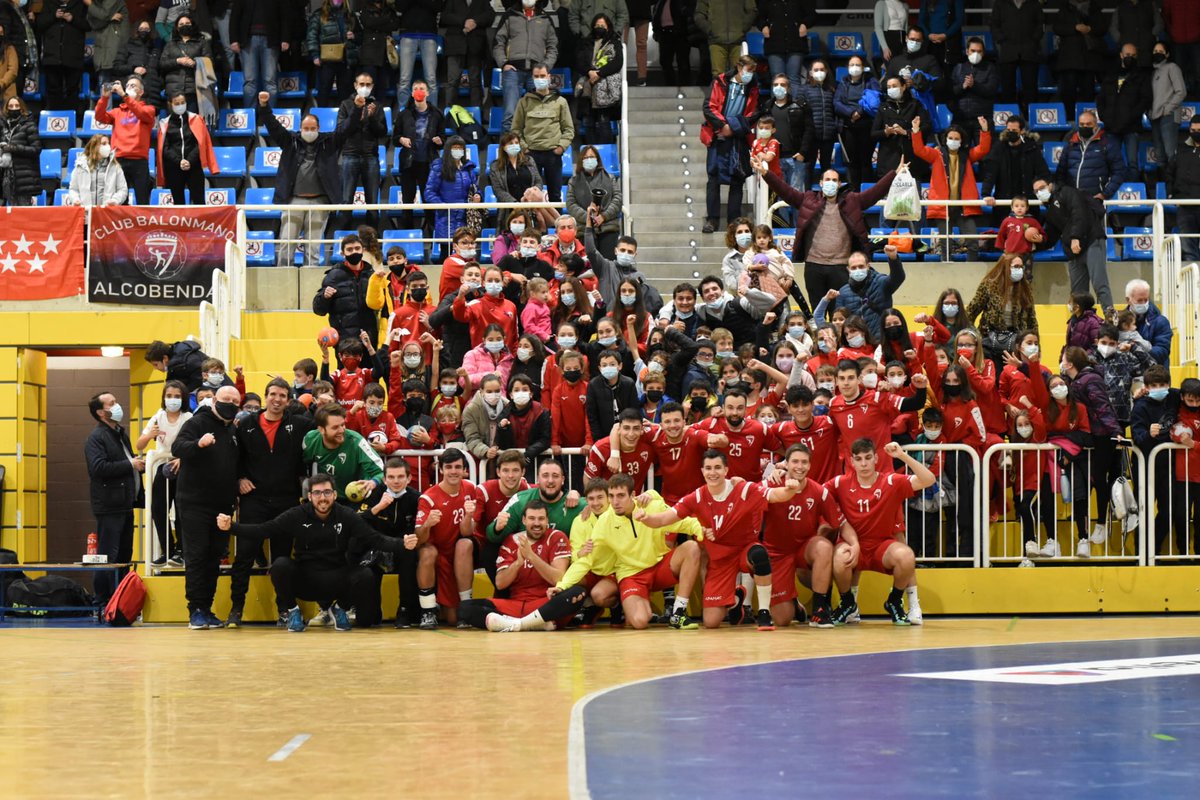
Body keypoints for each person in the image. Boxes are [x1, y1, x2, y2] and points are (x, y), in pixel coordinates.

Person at [216, 472, 409, 632]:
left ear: (334, 494)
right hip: (305, 581)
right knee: (280, 565)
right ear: (309, 497)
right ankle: (292, 611)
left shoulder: (346, 515)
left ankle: (340, 608)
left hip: (337, 579)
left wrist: (404, 544)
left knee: (365, 574)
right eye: (317, 493)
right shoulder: (297, 514)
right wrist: (231, 527)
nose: (322, 498)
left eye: (327, 492)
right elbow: (264, 529)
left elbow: (375, 539)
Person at [637, 449, 802, 629]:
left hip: (744, 550)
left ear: (726, 470)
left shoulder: (743, 489)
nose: (713, 472)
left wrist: (789, 489)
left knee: (759, 554)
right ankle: (736, 598)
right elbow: (663, 518)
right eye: (708, 468)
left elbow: (776, 496)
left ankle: (763, 613)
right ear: (702, 471)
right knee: (711, 621)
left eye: (717, 467)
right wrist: (646, 518)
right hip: (720, 560)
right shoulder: (697, 496)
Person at [228, 378, 313, 628]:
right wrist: (239, 479)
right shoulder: (245, 424)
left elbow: (324, 428)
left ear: (288, 400)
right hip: (254, 499)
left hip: (286, 500)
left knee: (282, 559)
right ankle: (236, 609)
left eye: (283, 396)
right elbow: (234, 458)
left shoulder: (299, 425)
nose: (277, 399)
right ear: (265, 397)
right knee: (244, 556)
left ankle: (285, 610)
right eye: (273, 394)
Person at [752, 160, 898, 303]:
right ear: (821, 183)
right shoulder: (808, 199)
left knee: (840, 315)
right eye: (827, 179)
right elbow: (785, 191)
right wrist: (766, 173)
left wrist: (894, 174)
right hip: (814, 267)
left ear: (840, 184)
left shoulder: (852, 200)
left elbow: (875, 192)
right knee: (817, 313)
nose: (831, 183)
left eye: (834, 180)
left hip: (841, 267)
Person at [827, 440, 935, 625]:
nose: (863, 464)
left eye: (868, 458)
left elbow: (928, 479)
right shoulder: (840, 483)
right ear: (851, 461)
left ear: (876, 458)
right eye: (858, 459)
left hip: (881, 547)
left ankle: (894, 601)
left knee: (907, 556)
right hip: (855, 546)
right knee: (839, 557)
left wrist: (902, 455)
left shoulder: (890, 481)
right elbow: (815, 494)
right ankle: (847, 603)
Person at [258, 93, 358, 267]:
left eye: (312, 128)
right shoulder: (289, 141)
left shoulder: (329, 142)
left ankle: (310, 284)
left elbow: (347, 128)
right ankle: (282, 277)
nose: (309, 131)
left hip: (319, 201)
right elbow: (273, 125)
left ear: (318, 128)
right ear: (300, 128)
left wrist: (357, 109)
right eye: (306, 128)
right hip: (293, 201)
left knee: (313, 247)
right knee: (286, 243)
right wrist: (264, 105)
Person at [172, 384, 241, 630]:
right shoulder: (196, 423)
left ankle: (207, 608)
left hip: (222, 505)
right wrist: (198, 445)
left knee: (214, 557)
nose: (230, 404)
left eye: (235, 401)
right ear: (214, 401)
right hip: (194, 503)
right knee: (197, 556)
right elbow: (177, 448)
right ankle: (195, 610)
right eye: (226, 399)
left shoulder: (233, 430)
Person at [763, 444, 845, 627]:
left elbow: (838, 523)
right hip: (777, 553)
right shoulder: (771, 484)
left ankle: (819, 611)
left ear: (809, 465)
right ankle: (793, 602)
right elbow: (749, 502)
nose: (799, 466)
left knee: (823, 546)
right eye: (795, 462)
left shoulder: (819, 492)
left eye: (804, 462)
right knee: (782, 620)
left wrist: (853, 545)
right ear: (787, 464)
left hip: (803, 549)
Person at [458, 499, 574, 630]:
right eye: (532, 518)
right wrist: (518, 563)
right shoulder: (512, 541)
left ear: (547, 521)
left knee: (577, 594)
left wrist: (531, 556)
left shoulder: (556, 537)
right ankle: (532, 625)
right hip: (515, 605)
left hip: (545, 603)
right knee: (464, 608)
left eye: (541, 519)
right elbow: (500, 583)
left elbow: (558, 578)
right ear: (524, 520)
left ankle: (511, 624)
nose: (536, 523)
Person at [84, 392, 144, 607]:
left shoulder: (119, 433)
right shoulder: (96, 437)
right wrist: (131, 465)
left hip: (125, 503)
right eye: (112, 403)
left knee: (125, 555)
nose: (117, 405)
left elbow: (126, 462)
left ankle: (120, 600)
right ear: (101, 412)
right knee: (108, 555)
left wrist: (136, 464)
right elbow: (98, 468)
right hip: (109, 505)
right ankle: (102, 601)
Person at [413, 449, 479, 628]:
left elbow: (467, 533)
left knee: (464, 543)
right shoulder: (428, 498)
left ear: (465, 470)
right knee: (427, 552)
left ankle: (466, 605)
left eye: (458, 467)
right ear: (440, 470)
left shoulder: (471, 488)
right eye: (448, 467)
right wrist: (427, 524)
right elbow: (419, 539)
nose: (453, 471)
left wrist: (468, 515)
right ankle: (428, 611)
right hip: (438, 554)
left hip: (459, 553)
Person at [912, 116, 992, 259]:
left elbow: (983, 149)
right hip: (943, 206)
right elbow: (919, 150)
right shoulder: (937, 154)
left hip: (963, 206)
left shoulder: (966, 155)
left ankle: (972, 272)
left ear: (961, 141)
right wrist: (916, 131)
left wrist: (985, 130)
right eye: (951, 137)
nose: (953, 141)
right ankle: (946, 272)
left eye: (956, 138)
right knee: (945, 246)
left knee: (973, 243)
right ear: (945, 138)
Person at [829, 358, 929, 467]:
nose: (846, 383)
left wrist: (921, 389)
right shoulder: (833, 404)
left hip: (881, 470)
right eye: (842, 378)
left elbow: (915, 403)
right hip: (853, 472)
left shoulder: (877, 399)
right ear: (836, 381)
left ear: (859, 379)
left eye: (851, 378)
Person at [1032, 176, 1113, 311]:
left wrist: (1076, 237)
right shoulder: (1051, 210)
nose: (1039, 192)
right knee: (1078, 293)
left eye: (1042, 188)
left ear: (1051, 185)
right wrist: (1038, 242)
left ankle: (1111, 318)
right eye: (1036, 191)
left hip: (1091, 240)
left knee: (1099, 284)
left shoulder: (1068, 192)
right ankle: (1081, 325)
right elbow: (1051, 235)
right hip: (1073, 251)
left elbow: (1079, 213)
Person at [701, 54, 758, 234]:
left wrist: (732, 128)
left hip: (738, 137)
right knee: (713, 179)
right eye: (748, 70)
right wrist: (722, 126)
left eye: (753, 71)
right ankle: (712, 219)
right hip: (718, 135)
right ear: (739, 67)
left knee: (737, 179)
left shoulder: (753, 87)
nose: (750, 74)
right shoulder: (720, 82)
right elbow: (708, 107)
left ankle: (733, 222)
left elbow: (753, 114)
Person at [136, 381, 190, 567]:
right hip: (162, 467)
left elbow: (192, 444)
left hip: (183, 467)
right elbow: (139, 445)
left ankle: (183, 551)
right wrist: (150, 434)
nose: (172, 400)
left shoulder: (188, 417)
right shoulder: (158, 417)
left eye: (176, 396)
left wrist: (183, 459)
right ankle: (168, 549)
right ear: (163, 398)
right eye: (169, 396)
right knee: (158, 509)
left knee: (182, 510)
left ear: (182, 398)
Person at [512, 62, 574, 205]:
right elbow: (515, 129)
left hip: (553, 155)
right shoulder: (524, 102)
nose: (540, 79)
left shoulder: (560, 102)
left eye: (542, 76)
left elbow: (569, 129)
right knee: (530, 197)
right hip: (530, 155)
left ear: (549, 77)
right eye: (536, 76)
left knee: (555, 196)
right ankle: (534, 227)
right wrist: (525, 148)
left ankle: (556, 226)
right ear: (532, 78)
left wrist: (560, 148)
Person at [494, 0, 559, 134]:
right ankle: (506, 153)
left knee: (538, 115)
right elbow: (498, 42)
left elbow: (554, 46)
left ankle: (534, 152)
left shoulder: (545, 18)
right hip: (513, 72)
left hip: (537, 73)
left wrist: (545, 66)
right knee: (510, 115)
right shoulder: (509, 15)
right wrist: (503, 63)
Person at [336, 73, 387, 231]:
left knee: (372, 202)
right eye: (362, 83)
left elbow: (383, 132)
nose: (365, 87)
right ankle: (344, 240)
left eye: (368, 84)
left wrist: (371, 118)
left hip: (370, 157)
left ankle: (373, 241)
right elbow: (342, 130)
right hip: (349, 156)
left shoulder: (377, 106)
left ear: (372, 86)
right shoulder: (345, 104)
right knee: (346, 201)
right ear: (355, 85)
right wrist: (357, 111)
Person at [94, 76, 155, 205]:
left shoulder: (149, 109)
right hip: (119, 159)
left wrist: (123, 94)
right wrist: (104, 98)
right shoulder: (117, 112)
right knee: (120, 201)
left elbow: (140, 113)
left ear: (141, 92)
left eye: (133, 86)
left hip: (139, 161)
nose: (129, 88)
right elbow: (99, 116)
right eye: (127, 86)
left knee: (142, 200)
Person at [393, 79, 445, 231]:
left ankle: (433, 235)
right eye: (415, 88)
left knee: (429, 201)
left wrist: (439, 140)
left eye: (422, 88)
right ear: (412, 93)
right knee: (407, 202)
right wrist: (401, 139)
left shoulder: (437, 114)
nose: (419, 91)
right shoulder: (404, 114)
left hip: (428, 163)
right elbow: (394, 139)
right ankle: (407, 236)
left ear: (427, 92)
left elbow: (443, 138)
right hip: (409, 163)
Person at [302, 404, 384, 499]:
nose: (342, 430)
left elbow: (381, 472)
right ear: (321, 430)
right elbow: (302, 464)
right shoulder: (310, 440)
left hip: (354, 498)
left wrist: (373, 482)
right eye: (335, 427)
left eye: (343, 425)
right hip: (327, 499)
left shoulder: (356, 441)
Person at [313, 233, 379, 351]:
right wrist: (324, 297)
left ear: (363, 250)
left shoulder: (372, 275)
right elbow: (319, 310)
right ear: (343, 253)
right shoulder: (333, 276)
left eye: (357, 248)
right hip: (344, 341)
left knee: (370, 370)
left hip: (369, 338)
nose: (354, 252)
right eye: (349, 249)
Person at [965, 253, 1039, 355]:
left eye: (1021, 267)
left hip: (1016, 341)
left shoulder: (1025, 289)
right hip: (989, 341)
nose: (1020, 270)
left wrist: (1035, 344)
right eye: (1016, 267)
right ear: (1005, 267)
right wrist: (975, 336)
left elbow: (1032, 319)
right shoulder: (989, 286)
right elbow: (971, 312)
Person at [1098, 43, 1154, 171]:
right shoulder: (1111, 74)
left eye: (1133, 55)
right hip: (1111, 126)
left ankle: (1132, 190)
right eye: (1128, 55)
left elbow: (1145, 99)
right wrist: (1104, 116)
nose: (1130, 57)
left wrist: (1130, 116)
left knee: (1132, 163)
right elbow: (1101, 98)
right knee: (1110, 162)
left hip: (1131, 127)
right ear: (1121, 55)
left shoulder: (1142, 76)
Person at [831, 246, 906, 340]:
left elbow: (898, 277)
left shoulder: (880, 282)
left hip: (881, 340)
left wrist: (893, 258)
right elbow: (839, 319)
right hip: (856, 342)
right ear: (848, 269)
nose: (857, 270)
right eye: (853, 268)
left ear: (868, 266)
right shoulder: (843, 292)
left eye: (861, 266)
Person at [155, 92, 217, 205]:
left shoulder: (197, 119)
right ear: (170, 104)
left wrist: (189, 160)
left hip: (194, 166)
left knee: (199, 202)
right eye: (177, 103)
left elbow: (201, 143)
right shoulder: (164, 124)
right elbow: (164, 148)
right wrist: (179, 161)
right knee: (178, 204)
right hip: (174, 168)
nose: (180, 105)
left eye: (182, 103)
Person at [1050, 0, 1108, 114]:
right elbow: (1057, 27)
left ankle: (1087, 119)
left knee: (1088, 92)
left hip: (1089, 59)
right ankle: (1070, 117)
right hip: (1069, 59)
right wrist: (1074, 27)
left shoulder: (1095, 9)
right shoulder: (1064, 8)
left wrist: (1090, 29)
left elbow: (1103, 28)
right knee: (1068, 92)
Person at [229, 0, 291, 107]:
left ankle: (270, 118)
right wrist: (233, 39)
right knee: (249, 81)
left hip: (271, 41)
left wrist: (285, 38)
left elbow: (285, 16)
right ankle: (250, 116)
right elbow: (235, 16)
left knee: (270, 81)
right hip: (247, 41)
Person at [833, 56, 878, 191]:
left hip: (867, 126)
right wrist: (851, 113)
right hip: (848, 127)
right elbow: (836, 103)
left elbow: (875, 99)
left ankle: (867, 193)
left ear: (863, 67)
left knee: (865, 161)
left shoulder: (871, 81)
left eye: (857, 65)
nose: (855, 67)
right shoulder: (843, 82)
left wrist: (859, 112)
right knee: (852, 162)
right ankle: (854, 193)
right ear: (848, 67)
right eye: (852, 64)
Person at [980, 115, 1050, 202]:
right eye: (1008, 130)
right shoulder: (998, 148)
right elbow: (990, 174)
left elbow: (1042, 172)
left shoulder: (1032, 148)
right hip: (1004, 200)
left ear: (1022, 131)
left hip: (1027, 201)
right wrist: (986, 194)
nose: (1010, 132)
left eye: (1014, 130)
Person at [568, 145, 622, 257]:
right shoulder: (573, 181)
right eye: (586, 158)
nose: (589, 160)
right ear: (581, 161)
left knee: (608, 265)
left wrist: (603, 216)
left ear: (597, 159)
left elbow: (617, 199)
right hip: (584, 230)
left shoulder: (610, 178)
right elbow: (571, 204)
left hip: (608, 228)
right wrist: (588, 217)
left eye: (592, 157)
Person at [425, 137, 481, 246]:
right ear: (448, 150)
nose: (458, 150)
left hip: (466, 217)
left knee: (466, 251)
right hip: (446, 218)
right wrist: (443, 206)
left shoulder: (468, 168)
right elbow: (429, 192)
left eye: (460, 148)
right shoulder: (439, 167)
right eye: (454, 148)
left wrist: (478, 195)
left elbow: (475, 188)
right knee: (447, 253)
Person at [576, 14, 622, 146]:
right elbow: (579, 61)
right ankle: (590, 152)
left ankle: (605, 155)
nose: (599, 28)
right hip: (587, 86)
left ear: (608, 27)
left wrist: (600, 74)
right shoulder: (586, 42)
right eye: (597, 25)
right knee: (588, 122)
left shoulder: (614, 42)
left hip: (604, 87)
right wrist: (589, 72)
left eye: (602, 26)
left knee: (603, 121)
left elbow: (617, 62)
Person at [874, 76, 930, 182]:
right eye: (889, 87)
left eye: (894, 86)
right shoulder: (883, 107)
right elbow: (873, 133)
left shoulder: (915, 104)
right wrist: (886, 132)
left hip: (912, 157)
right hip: (888, 159)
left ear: (903, 87)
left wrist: (906, 132)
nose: (891, 89)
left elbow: (927, 127)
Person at [755, 0, 815, 99]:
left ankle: (795, 109)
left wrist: (804, 24)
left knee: (794, 79)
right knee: (777, 79)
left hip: (796, 43)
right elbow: (758, 17)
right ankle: (776, 109)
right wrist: (764, 27)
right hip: (774, 43)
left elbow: (812, 15)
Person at [36, 0, 87, 114]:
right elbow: (39, 24)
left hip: (73, 57)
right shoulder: (49, 3)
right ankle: (55, 119)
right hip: (52, 58)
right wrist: (54, 16)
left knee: (72, 91)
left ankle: (71, 120)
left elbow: (89, 25)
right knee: (53, 90)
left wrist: (72, 19)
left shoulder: (80, 5)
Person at [990, 0, 1043, 108]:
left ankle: (1030, 118)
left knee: (1031, 88)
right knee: (1007, 88)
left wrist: (1034, 40)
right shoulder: (1000, 3)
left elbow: (1041, 24)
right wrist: (1002, 40)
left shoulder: (1034, 3)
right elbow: (994, 25)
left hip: (1029, 51)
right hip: (1008, 50)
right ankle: (1009, 117)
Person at [440, 0, 493, 107]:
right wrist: (463, 21)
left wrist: (475, 22)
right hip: (455, 46)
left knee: (475, 82)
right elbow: (444, 17)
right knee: (452, 81)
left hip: (476, 47)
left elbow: (490, 15)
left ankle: (476, 116)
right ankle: (450, 114)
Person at [159, 14, 211, 113]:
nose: (184, 25)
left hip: (193, 90)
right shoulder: (170, 44)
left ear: (192, 25)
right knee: (175, 124)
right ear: (177, 28)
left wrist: (195, 63)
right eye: (181, 24)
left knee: (192, 123)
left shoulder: (202, 43)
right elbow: (162, 64)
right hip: (173, 89)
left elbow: (210, 62)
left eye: (187, 23)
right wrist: (177, 61)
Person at [307, 0, 356, 107]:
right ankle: (320, 118)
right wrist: (315, 55)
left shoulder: (350, 15)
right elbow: (311, 36)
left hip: (345, 59)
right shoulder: (319, 14)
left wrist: (354, 35)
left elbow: (360, 35)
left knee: (345, 92)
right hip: (326, 60)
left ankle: (344, 119)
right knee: (324, 90)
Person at [1167, 116, 1200, 263]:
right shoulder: (1180, 149)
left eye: (1199, 130)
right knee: (1188, 249)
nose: (1195, 133)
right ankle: (1194, 284)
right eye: (1193, 130)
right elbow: (1169, 173)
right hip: (1185, 206)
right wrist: (1171, 193)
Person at [694, 0, 755, 78]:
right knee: (718, 76)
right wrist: (710, 29)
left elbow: (752, 11)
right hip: (716, 41)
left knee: (739, 74)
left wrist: (742, 28)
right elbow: (699, 14)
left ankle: (735, 90)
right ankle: (720, 90)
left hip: (737, 40)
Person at [1150, 42, 1187, 170]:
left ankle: (1175, 187)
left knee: (1170, 153)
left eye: (1161, 51)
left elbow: (1181, 91)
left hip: (1169, 116)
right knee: (1159, 155)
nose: (1157, 53)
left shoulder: (1172, 67)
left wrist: (1167, 109)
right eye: (1155, 51)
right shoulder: (1152, 72)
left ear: (1167, 54)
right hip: (1155, 117)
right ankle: (1164, 187)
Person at [798, 59, 836, 179]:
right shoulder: (803, 89)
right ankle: (807, 195)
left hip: (828, 135)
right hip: (811, 136)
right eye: (816, 70)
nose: (819, 72)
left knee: (827, 167)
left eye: (822, 69)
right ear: (810, 73)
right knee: (808, 167)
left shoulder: (832, 89)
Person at [1125, 278, 1174, 368]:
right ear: (1128, 300)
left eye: (1146, 300)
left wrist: (1135, 350)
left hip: (1155, 376)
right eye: (1139, 300)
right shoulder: (1118, 321)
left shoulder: (1161, 322)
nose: (1144, 303)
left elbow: (1162, 352)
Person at [951, 37, 999, 126]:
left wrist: (974, 85)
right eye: (973, 50)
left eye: (979, 51)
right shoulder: (958, 68)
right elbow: (951, 92)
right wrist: (963, 86)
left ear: (983, 53)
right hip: (961, 118)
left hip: (983, 118)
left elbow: (991, 90)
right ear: (967, 51)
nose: (976, 54)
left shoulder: (990, 68)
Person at [0, 96, 38, 206]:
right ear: (6, 109)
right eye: (11, 106)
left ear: (22, 108)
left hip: (23, 176)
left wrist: (13, 148)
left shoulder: (29, 125)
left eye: (17, 106)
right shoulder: (3, 127)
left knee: (23, 215)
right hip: (5, 177)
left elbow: (36, 149)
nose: (14, 108)